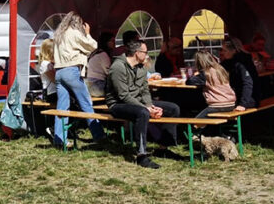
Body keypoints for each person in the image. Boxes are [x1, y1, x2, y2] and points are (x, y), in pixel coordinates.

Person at [106, 40, 181, 169]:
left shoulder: (141, 68)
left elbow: (145, 90)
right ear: (137, 53)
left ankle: (164, 148)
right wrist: (146, 108)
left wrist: (150, 105)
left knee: (173, 108)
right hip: (118, 105)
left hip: (138, 103)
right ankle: (141, 155)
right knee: (142, 113)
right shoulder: (118, 67)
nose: (147, 55)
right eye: (145, 52)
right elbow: (123, 96)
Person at [51, 12, 105, 148]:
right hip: (71, 71)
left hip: (59, 72)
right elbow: (92, 46)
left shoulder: (59, 34)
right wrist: (87, 33)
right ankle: (99, 136)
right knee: (86, 104)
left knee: (62, 108)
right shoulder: (74, 33)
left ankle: (59, 139)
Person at [186, 51, 239, 118]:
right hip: (231, 104)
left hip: (217, 105)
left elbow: (189, 82)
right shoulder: (220, 69)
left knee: (195, 123)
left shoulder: (205, 73)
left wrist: (196, 74)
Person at [219, 39, 258, 109]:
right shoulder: (229, 61)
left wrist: (243, 104)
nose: (222, 53)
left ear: (234, 50)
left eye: (224, 50)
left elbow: (248, 83)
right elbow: (218, 68)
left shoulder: (242, 62)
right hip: (237, 97)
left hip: (249, 99)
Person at [85, 32, 116, 97]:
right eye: (112, 41)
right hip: (97, 86)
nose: (114, 43)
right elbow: (109, 72)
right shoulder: (103, 55)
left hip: (89, 85)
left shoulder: (95, 52)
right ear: (106, 42)